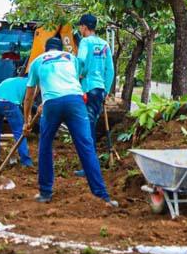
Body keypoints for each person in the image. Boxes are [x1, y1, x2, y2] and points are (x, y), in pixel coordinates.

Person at [23, 37, 117, 207]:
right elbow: (80, 75)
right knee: (86, 147)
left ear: (46, 49)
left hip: (52, 103)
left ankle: (45, 193)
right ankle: (103, 196)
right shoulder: (71, 58)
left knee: (45, 145)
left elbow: (29, 95)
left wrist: (26, 119)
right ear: (61, 49)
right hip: (75, 100)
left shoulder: (37, 61)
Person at [74, 14, 114, 177]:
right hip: (99, 90)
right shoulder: (104, 44)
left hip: (87, 89)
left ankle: (89, 167)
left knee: (87, 127)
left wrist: (79, 75)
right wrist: (106, 91)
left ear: (84, 27)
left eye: (80, 27)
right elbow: (110, 70)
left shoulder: (85, 42)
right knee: (90, 125)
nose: (80, 30)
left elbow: (81, 61)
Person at [0, 66, 33, 168]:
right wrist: (27, 117)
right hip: (10, 104)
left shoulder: (9, 80)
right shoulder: (30, 84)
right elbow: (28, 100)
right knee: (19, 131)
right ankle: (26, 162)